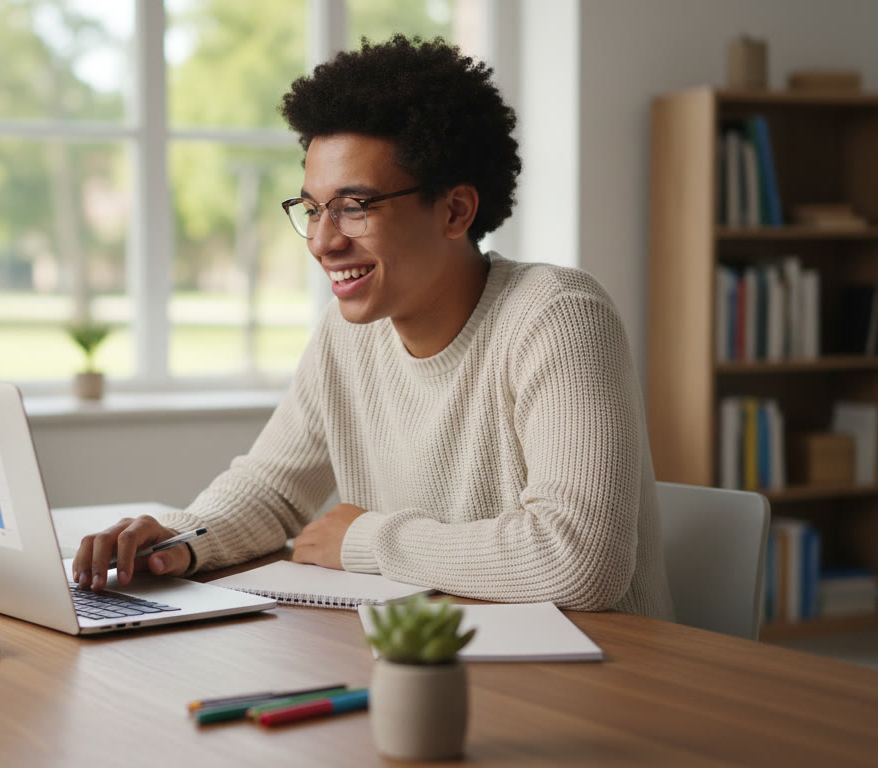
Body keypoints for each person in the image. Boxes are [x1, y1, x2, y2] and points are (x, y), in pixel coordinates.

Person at [72, 34, 674, 620]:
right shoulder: (350, 333)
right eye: (311, 208)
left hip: (599, 682)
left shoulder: (557, 316)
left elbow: (583, 558)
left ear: (455, 210)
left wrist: (364, 540)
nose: (323, 241)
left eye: (354, 207)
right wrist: (179, 538)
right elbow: (275, 491)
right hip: (434, 661)